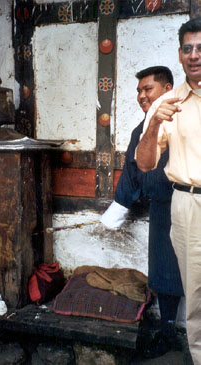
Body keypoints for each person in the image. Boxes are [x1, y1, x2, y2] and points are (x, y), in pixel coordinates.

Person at [101, 66, 184, 358]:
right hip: (161, 207)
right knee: (163, 270)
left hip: (188, 206)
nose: (141, 96)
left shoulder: (185, 117)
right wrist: (121, 204)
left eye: (147, 89)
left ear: (167, 88)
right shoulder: (142, 128)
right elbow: (132, 171)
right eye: (138, 90)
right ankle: (169, 331)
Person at [136, 18, 201, 364]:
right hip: (187, 203)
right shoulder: (168, 105)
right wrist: (156, 122)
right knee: (196, 295)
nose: (195, 55)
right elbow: (144, 164)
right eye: (188, 48)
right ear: (179, 54)